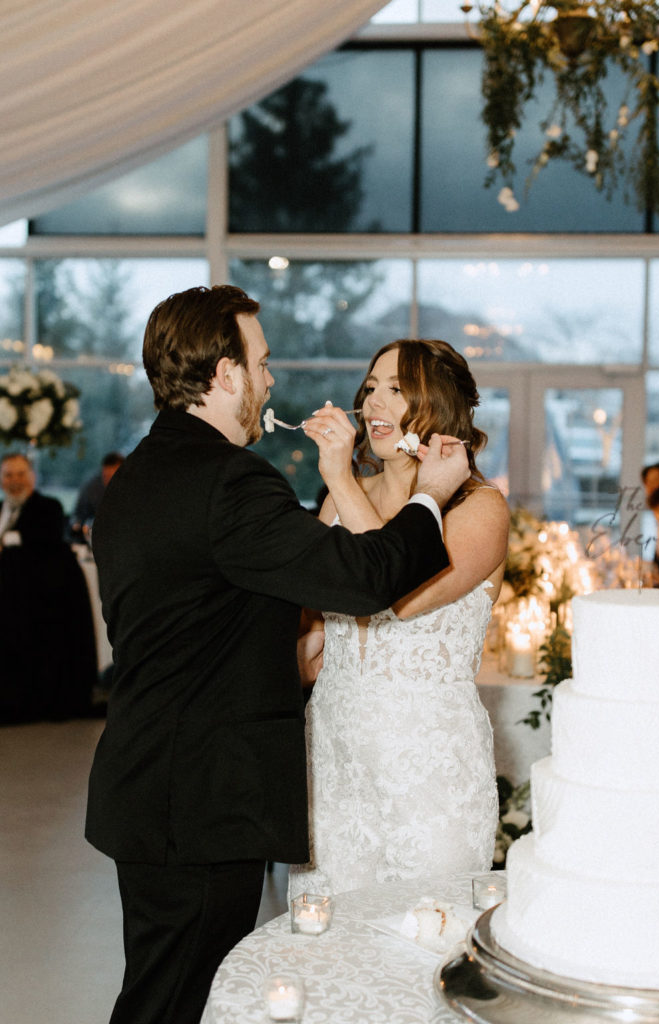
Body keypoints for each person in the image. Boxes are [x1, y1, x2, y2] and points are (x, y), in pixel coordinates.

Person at [85, 285, 472, 1024]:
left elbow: (202, 617)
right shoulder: (228, 480)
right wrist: (428, 498)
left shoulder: (138, 473)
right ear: (225, 375)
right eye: (260, 364)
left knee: (167, 990)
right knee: (174, 1001)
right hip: (198, 803)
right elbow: (364, 579)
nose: (271, 381)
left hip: (155, 786)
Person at [289, 338, 510, 899]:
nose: (374, 404)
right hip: (334, 763)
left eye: (397, 390)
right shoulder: (339, 504)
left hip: (428, 773)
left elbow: (395, 594)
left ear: (437, 408)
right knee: (326, 948)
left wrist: (337, 475)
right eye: (370, 389)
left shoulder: (479, 509)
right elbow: (316, 629)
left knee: (424, 942)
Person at [0, 453, 97, 721]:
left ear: (32, 477)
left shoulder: (48, 507)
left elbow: (42, 539)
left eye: (20, 474)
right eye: (8, 475)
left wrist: (8, 539)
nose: (14, 481)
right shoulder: (1, 509)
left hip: (38, 601)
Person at [70, 451, 125, 542]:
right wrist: (77, 524)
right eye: (105, 476)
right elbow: (78, 514)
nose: (109, 481)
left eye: (114, 476)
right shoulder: (92, 488)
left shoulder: (133, 492)